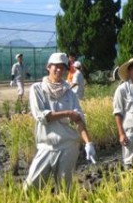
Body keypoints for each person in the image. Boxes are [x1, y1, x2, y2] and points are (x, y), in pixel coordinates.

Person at [24, 52, 96, 192]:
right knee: (31, 187)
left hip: (68, 145)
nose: (59, 70)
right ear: (48, 67)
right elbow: (42, 116)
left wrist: (88, 143)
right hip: (46, 146)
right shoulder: (37, 89)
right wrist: (68, 113)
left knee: (64, 188)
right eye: (55, 66)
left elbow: (79, 120)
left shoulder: (69, 93)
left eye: (62, 67)